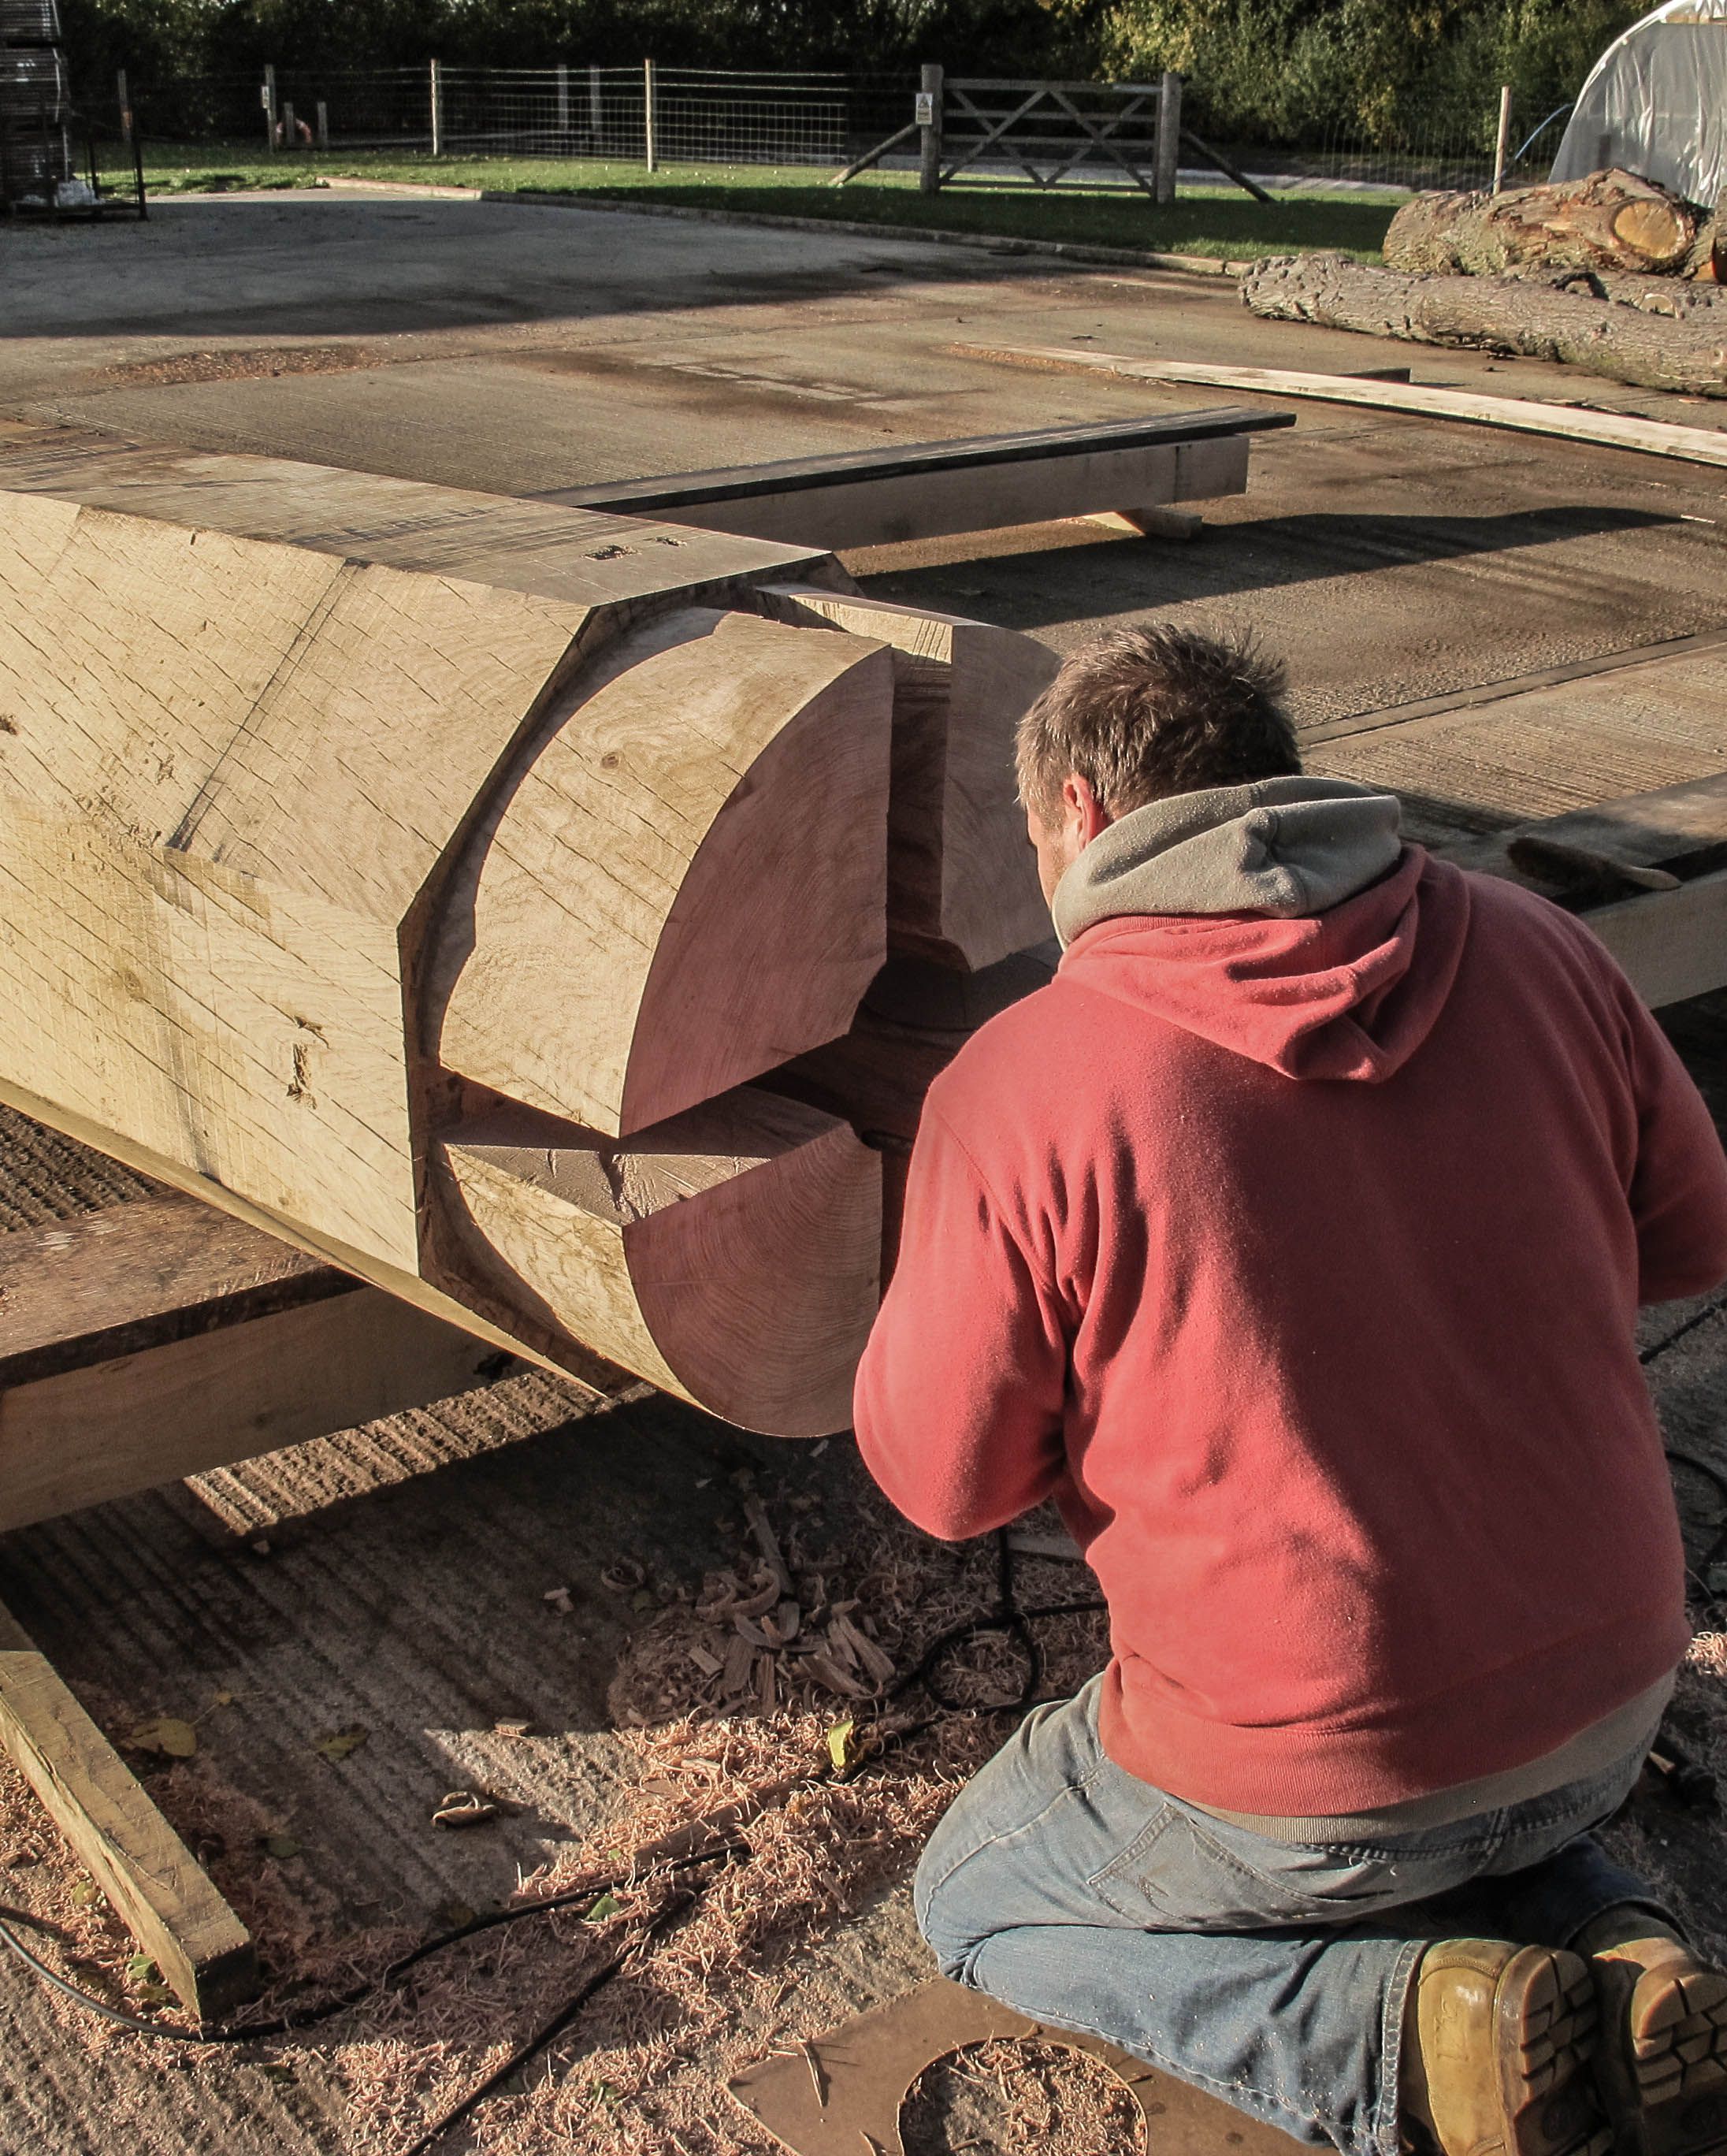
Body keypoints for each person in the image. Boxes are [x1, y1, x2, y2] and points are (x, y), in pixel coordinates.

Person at [852, 625, 1727, 2156]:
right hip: (1612, 1695)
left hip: (1314, 1788)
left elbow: (946, 1484)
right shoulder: (1547, 950)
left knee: (980, 1893)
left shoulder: (1025, 1078)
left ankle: (1389, 2042)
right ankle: (1617, 1940)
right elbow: (1692, 1238)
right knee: (1458, 1789)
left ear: (1077, 815)